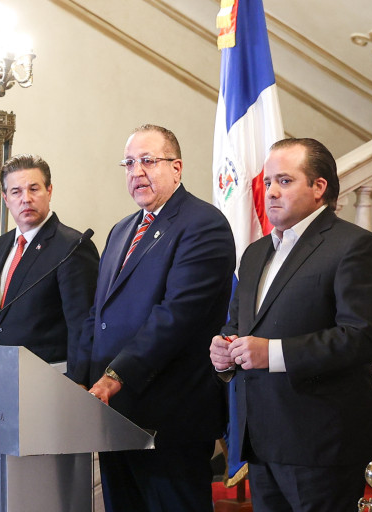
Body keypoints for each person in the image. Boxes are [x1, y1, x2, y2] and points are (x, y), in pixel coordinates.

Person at [209, 138, 372, 512]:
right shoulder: (255, 253)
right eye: (268, 182)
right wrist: (224, 350)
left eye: (285, 181)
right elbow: (238, 324)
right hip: (261, 440)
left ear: (318, 187)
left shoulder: (354, 246)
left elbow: (362, 337)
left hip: (322, 444)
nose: (271, 192)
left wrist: (273, 353)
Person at [71, 124, 236, 512]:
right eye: (129, 163)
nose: (137, 171)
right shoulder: (121, 230)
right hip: (114, 415)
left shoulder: (203, 224)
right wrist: (79, 381)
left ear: (176, 168)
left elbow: (176, 316)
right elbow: (98, 314)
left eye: (148, 160)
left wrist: (115, 376)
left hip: (170, 417)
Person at [0, 154, 99, 373]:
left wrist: (79, 381)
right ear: (5, 199)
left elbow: (83, 326)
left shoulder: (73, 246)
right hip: (0, 376)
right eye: (16, 192)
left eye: (34, 189)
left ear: (49, 191)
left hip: (51, 378)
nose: (26, 199)